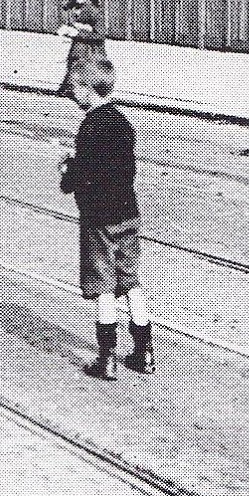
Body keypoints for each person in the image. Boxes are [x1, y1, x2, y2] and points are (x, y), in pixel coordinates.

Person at [59, 59, 153, 380]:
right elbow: (124, 169)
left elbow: (86, 175)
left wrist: (67, 172)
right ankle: (144, 352)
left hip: (98, 217)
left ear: (87, 90)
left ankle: (107, 357)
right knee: (131, 281)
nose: (73, 97)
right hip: (128, 211)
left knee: (103, 286)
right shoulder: (124, 123)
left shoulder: (89, 126)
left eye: (74, 91)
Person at [57, 0, 107, 98]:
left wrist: (77, 33)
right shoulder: (73, 8)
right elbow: (71, 24)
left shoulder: (94, 10)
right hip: (80, 49)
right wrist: (67, 29)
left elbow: (100, 35)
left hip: (92, 51)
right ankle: (71, 88)